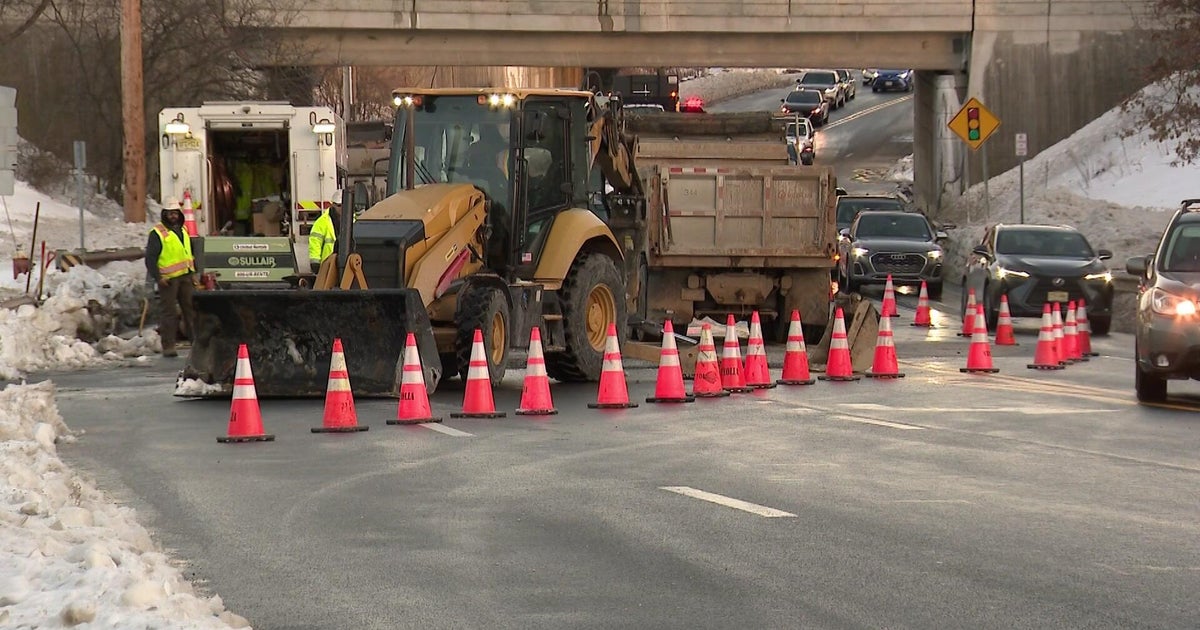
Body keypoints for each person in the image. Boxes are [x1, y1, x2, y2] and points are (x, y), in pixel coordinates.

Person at [145, 197, 197, 358]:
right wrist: (158, 277)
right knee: (169, 313)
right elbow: (150, 258)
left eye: (175, 213)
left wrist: (193, 274)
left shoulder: (183, 231)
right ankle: (168, 346)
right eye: (170, 213)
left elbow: (188, 254)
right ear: (164, 214)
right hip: (168, 280)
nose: (173, 216)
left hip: (185, 277)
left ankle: (196, 344)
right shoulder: (158, 233)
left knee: (191, 311)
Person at [309, 189, 342, 274]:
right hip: (327, 266)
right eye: (339, 205)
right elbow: (315, 243)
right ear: (333, 205)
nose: (341, 208)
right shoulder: (321, 222)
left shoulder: (352, 220)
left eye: (343, 205)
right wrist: (315, 262)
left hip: (346, 264)